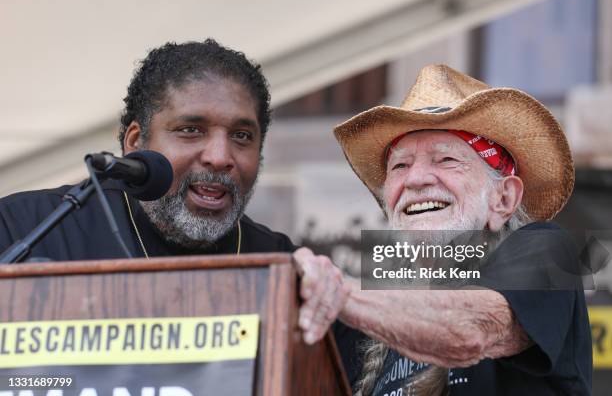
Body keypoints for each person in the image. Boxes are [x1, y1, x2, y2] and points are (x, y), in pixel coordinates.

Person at [0, 39, 345, 349]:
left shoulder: (285, 266)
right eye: (191, 130)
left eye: (241, 136)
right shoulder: (24, 227)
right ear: (135, 142)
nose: (221, 157)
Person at [294, 64, 592, 395]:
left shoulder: (548, 250)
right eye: (400, 166)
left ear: (503, 198)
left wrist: (340, 294)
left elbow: (472, 331)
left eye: (446, 160)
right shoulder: (367, 319)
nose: (416, 179)